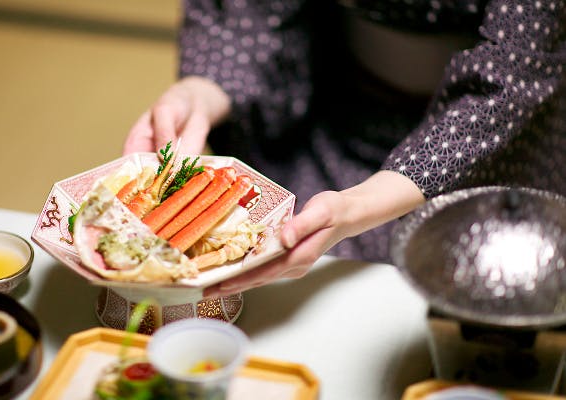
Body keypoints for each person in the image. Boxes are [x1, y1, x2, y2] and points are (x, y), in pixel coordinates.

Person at [122, 0, 566, 299]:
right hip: (333, 109)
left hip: (497, 139)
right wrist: (202, 92)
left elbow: (517, 66)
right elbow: (247, 14)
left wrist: (363, 203)